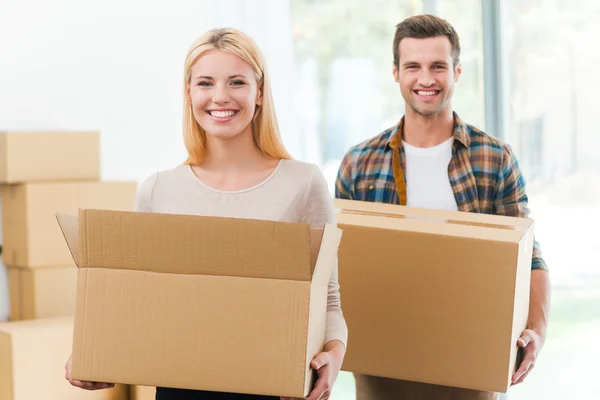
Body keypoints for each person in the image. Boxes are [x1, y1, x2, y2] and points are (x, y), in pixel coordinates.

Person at [65, 27, 348, 400]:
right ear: (189, 93)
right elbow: (138, 302)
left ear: (259, 92)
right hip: (180, 390)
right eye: (205, 83)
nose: (220, 97)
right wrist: (96, 354)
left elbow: (328, 299)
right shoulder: (158, 189)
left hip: (272, 387)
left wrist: (334, 356)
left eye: (236, 82)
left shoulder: (303, 183)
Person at [335, 14, 550, 400]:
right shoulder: (360, 163)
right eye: (413, 66)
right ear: (396, 73)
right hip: (382, 365)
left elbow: (529, 259)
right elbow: (334, 268)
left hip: (471, 365)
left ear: (457, 71)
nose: (426, 79)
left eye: (438, 66)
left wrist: (536, 329)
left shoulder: (494, 158)